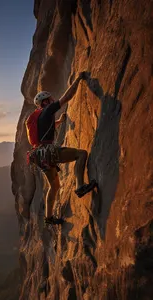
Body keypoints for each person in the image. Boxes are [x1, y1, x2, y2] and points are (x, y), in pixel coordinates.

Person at [26, 71, 97, 226]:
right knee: (81, 154)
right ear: (45, 102)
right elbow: (66, 98)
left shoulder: (37, 116)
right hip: (48, 153)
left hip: (38, 156)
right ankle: (80, 186)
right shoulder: (48, 109)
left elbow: (44, 130)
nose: (52, 100)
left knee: (55, 186)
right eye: (50, 99)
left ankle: (49, 217)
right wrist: (78, 79)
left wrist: (59, 121)